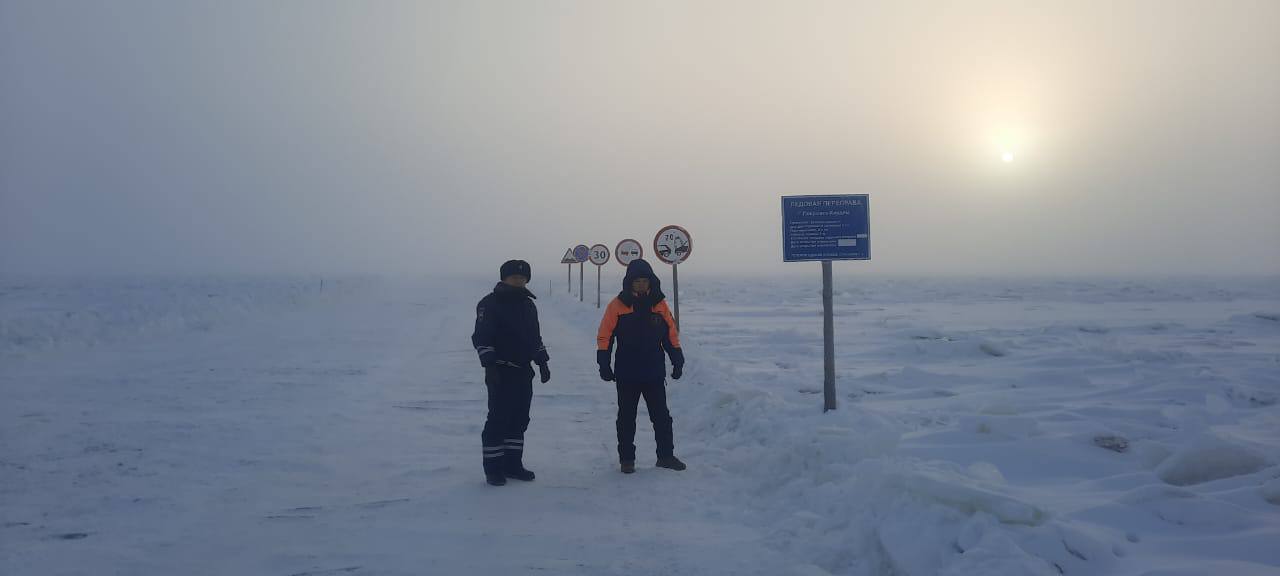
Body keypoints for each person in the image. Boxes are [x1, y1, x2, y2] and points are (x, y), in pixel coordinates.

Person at [596, 258, 686, 474]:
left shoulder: (660, 305)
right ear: (629, 283)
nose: (641, 285)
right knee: (626, 417)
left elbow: (670, 335)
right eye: (637, 281)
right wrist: (603, 363)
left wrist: (677, 359)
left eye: (645, 281)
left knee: (662, 417)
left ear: (651, 282)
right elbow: (605, 335)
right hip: (627, 373)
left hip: (654, 372)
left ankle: (665, 456)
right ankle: (627, 459)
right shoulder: (617, 305)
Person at [471, 259, 551, 486]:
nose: (519, 280)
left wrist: (542, 361)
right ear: (504, 278)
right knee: (498, 419)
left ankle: (513, 464)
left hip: (523, 371)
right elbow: (482, 337)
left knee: (519, 419)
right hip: (501, 370)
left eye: (523, 277)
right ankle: (493, 469)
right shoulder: (490, 304)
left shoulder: (528, 305)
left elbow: (535, 337)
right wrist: (489, 366)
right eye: (514, 277)